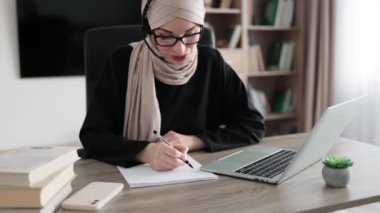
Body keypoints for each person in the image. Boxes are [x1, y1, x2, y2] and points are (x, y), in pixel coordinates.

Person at [79, 0, 265, 171]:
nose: (180, 49)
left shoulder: (211, 61)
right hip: (128, 179)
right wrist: (146, 152)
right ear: (149, 31)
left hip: (197, 180)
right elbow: (92, 136)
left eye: (191, 34)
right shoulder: (121, 62)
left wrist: (194, 141)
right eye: (166, 37)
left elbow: (252, 126)